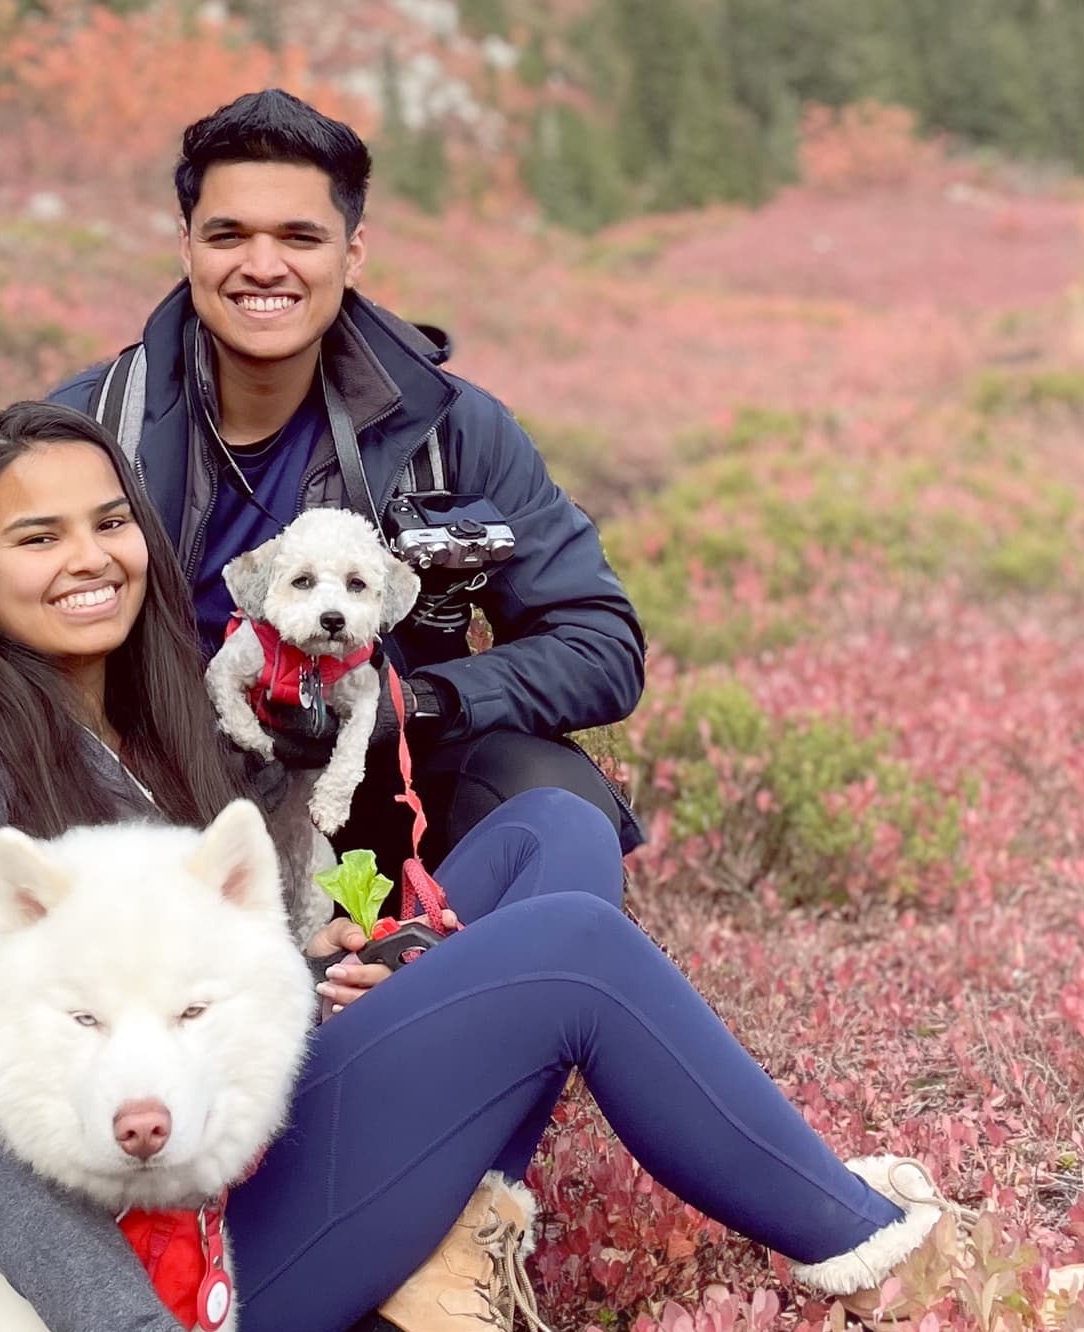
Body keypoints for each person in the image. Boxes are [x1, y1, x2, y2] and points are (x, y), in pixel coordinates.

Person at [0, 401, 1084, 1332]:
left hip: (235, 1146)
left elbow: (189, 964)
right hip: (178, 1286)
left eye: (108, 521)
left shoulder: (153, 706)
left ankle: (441, 1278)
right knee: (569, 950)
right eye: (36, 534)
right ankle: (890, 1266)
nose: (89, 558)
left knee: (552, 835)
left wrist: (308, 959)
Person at [48, 89, 646, 875]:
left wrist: (415, 704)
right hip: (150, 798)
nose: (264, 265)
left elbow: (598, 645)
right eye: (229, 234)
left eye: (300, 236)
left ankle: (437, 972)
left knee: (552, 800)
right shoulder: (84, 434)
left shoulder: (451, 429)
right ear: (186, 245)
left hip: (371, 792)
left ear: (352, 251)